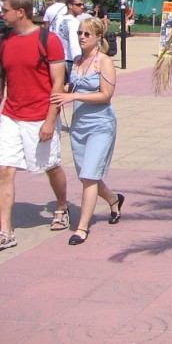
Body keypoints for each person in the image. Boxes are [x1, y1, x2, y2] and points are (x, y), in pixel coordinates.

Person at [0, 0, 69, 251]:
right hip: (11, 117)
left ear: (21, 11)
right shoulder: (5, 40)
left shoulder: (48, 40)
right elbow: (3, 79)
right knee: (4, 169)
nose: (2, 14)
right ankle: (6, 231)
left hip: (40, 116)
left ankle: (62, 206)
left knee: (50, 166)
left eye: (5, 9)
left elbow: (58, 84)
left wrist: (50, 121)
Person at [49, 17, 124, 246]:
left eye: (87, 34)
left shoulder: (104, 62)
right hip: (79, 126)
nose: (82, 37)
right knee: (87, 176)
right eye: (80, 33)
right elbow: (70, 86)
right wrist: (61, 90)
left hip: (101, 125)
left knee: (89, 176)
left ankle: (82, 227)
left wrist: (73, 96)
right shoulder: (79, 60)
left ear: (98, 37)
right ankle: (113, 200)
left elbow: (105, 95)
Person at [56, 0, 87, 79]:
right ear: (69, 5)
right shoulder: (74, 22)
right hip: (70, 60)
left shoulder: (58, 19)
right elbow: (75, 45)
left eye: (83, 4)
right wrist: (78, 62)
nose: (82, 7)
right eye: (78, 5)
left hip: (57, 59)